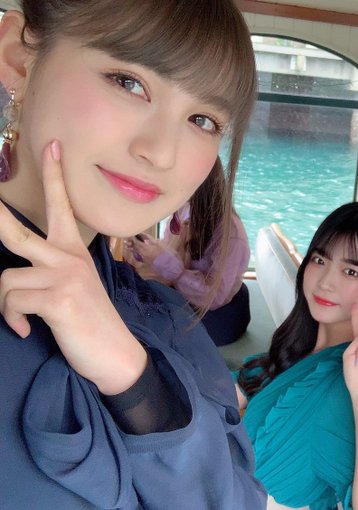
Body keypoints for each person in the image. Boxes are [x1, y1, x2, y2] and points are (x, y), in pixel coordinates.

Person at [0, 1, 266, 508]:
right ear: (19, 57)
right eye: (128, 82)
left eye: (203, 119)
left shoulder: (162, 317)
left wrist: (133, 378)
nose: (161, 152)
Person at [236, 202, 358, 510]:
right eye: (320, 260)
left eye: (351, 271)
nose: (325, 282)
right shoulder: (297, 349)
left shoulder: (357, 383)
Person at [123, 161, 252, 346]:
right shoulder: (185, 209)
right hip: (187, 298)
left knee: (142, 329)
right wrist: (144, 252)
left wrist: (164, 262)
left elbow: (214, 298)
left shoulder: (230, 235)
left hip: (219, 314)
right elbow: (171, 255)